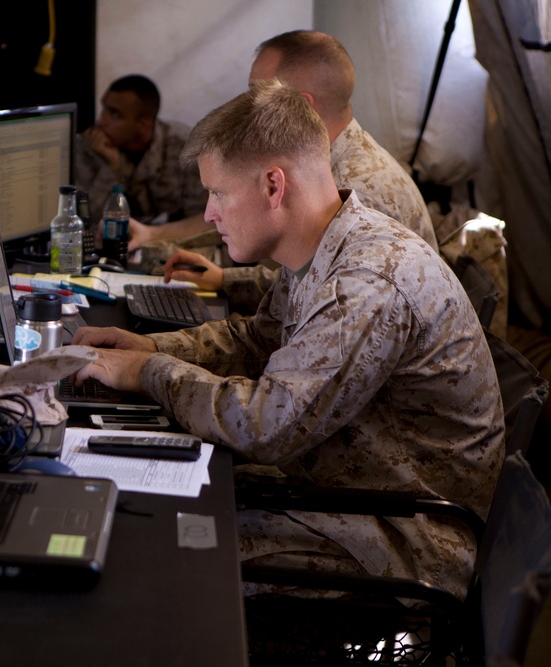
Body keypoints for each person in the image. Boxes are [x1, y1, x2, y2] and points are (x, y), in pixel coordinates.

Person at [72, 80, 504, 602]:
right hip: (351, 496)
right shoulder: (326, 245)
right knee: (152, 510)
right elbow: (256, 340)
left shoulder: (368, 282)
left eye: (218, 193)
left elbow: (263, 425)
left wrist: (146, 374)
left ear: (273, 186)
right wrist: (154, 350)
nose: (209, 215)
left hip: (405, 541)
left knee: (164, 558)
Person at [135, 31, 439, 310]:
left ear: (301, 105)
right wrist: (223, 280)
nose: (247, 104)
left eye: (259, 92)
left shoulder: (357, 189)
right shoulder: (335, 162)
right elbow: (298, 283)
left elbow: (325, 305)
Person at [73, 74, 207, 231]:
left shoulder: (184, 147)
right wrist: (111, 169)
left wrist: (153, 236)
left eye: (115, 114)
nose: (102, 121)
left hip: (172, 242)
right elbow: (82, 221)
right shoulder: (89, 146)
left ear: (143, 125)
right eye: (104, 109)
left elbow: (204, 221)